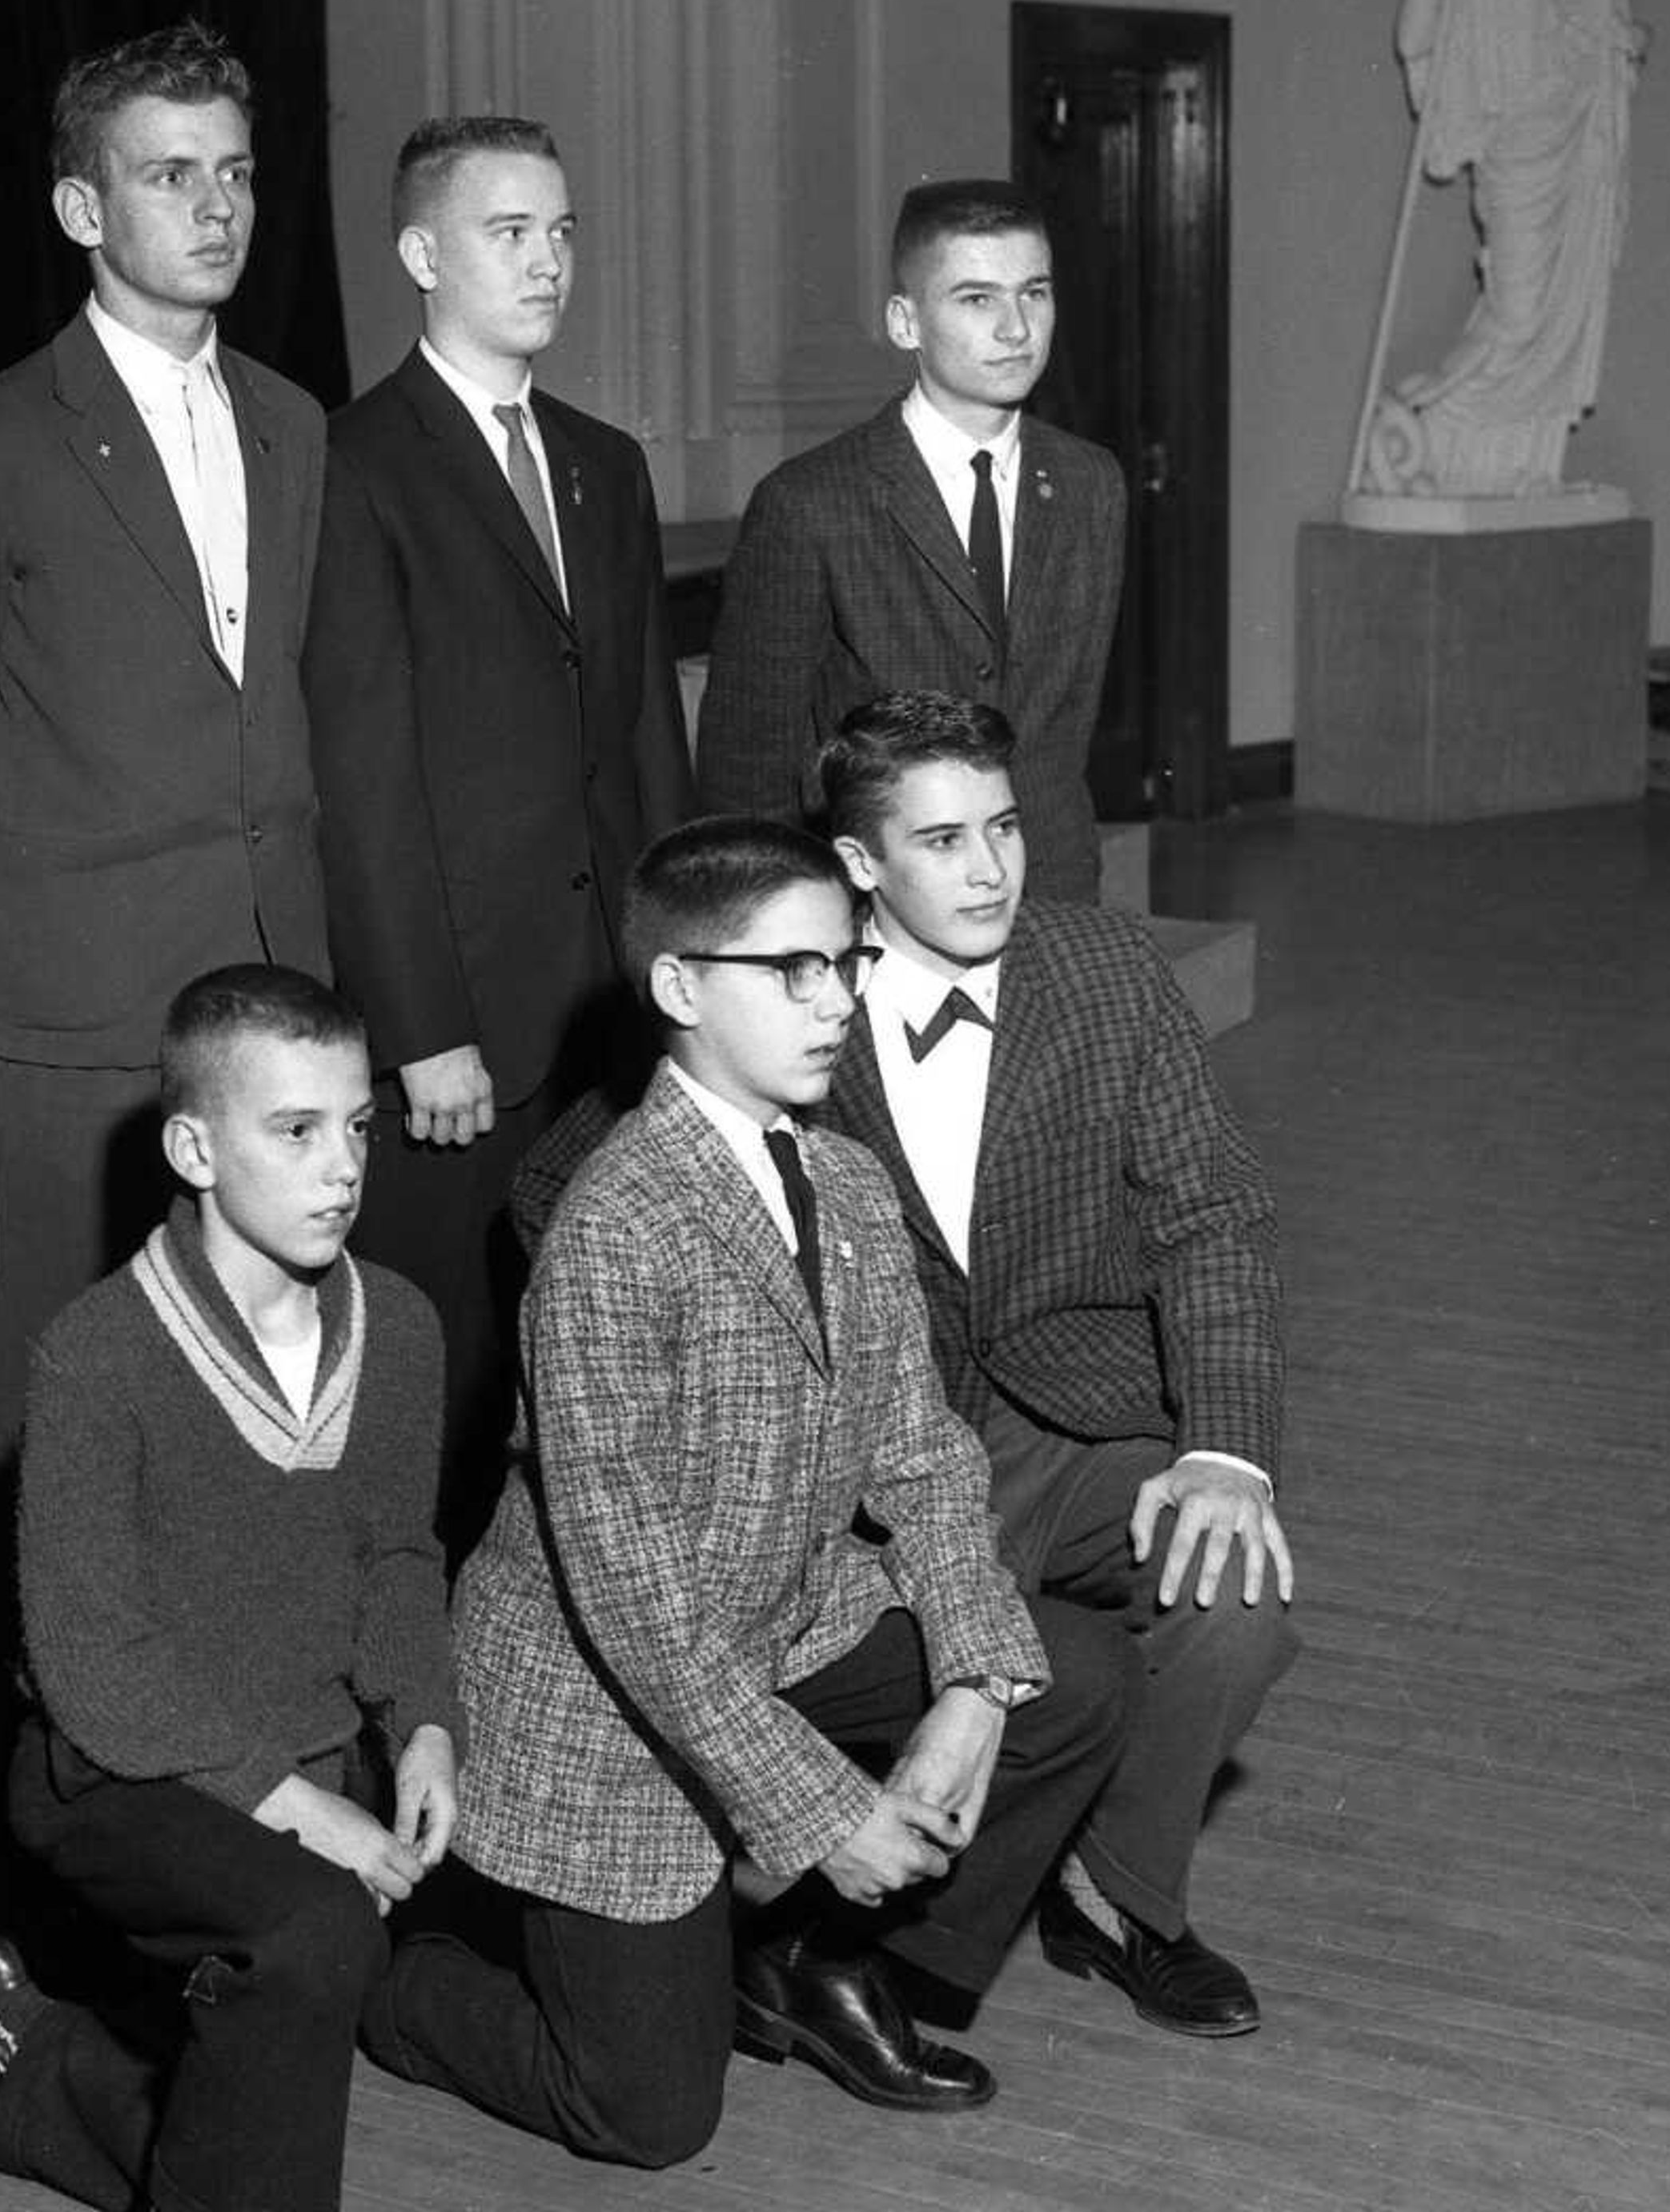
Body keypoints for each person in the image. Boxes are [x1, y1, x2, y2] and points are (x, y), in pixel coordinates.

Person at [361, 817, 1135, 2157]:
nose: (837, 999)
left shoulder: (842, 1175)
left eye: (845, 963)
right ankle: (383, 1972)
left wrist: (966, 1680)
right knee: (647, 2111)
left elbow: (925, 1450)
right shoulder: (615, 1226)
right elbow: (640, 1607)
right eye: (793, 970)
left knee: (1068, 1674)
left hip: (781, 1615)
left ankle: (824, 1959)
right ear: (678, 988)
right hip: (609, 1694)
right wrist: (827, 1809)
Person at [0, 966, 456, 2212]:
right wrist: (305, 1815)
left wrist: (426, 1723)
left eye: (359, 1129)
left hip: (298, 1752)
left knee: (308, 1976)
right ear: (192, 1147)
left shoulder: (402, 1325)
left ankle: (36, 2058)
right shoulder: (99, 1353)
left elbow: (398, 1556)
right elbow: (94, 1666)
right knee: (319, 1929)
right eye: (295, 1130)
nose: (342, 1169)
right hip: (115, 1772)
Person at [815, 690, 1298, 2037]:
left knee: (1233, 1594)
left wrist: (1225, 1451)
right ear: (860, 861)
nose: (991, 869)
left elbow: (1215, 1213)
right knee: (1035, 1664)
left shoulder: (1102, 969)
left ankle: (1112, 1897)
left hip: (1080, 1415)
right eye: (944, 837)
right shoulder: (788, 985)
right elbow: (583, 1165)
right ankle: (885, 1938)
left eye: (1008, 826)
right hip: (888, 1454)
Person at [0, 20, 328, 1463]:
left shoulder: (291, 423)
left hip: (268, 997)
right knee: (70, 1417)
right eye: (170, 175)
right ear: (83, 210)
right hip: (73, 1020)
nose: (216, 210)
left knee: (258, 1401)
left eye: (238, 174)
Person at [304, 113, 692, 1552]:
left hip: (605, 1006)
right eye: (507, 232)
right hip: (460, 1032)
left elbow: (649, 739)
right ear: (421, 254)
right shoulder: (355, 463)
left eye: (564, 229)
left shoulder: (605, 463)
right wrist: (419, 1024)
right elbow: (361, 771)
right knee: (451, 1395)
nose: (547, 262)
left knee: (600, 1386)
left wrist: (679, 980)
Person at [697, 179, 1125, 903]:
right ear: (905, 321)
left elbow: (1064, 734)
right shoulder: (810, 502)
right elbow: (748, 775)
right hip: (881, 908)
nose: (1017, 329)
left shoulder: (1091, 483)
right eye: (977, 298)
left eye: (1036, 292)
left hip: (1052, 892)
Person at [1368, 0, 1641, 497]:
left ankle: (1527, 467)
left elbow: (1599, 34)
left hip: (1583, 151)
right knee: (1520, 313)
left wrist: (1618, 48)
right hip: (1523, 153)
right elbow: (1421, 45)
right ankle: (1426, 440)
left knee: (1567, 313)